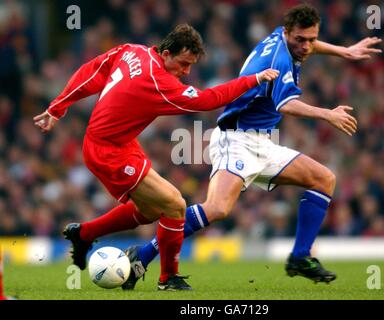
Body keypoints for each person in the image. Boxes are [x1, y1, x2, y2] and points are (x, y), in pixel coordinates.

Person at [116, 3, 382, 290]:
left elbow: (309, 46)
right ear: (287, 33)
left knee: (323, 179)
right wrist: (327, 114)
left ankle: (300, 257)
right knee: (217, 209)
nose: (306, 47)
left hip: (263, 142)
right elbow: (286, 104)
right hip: (237, 139)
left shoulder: (284, 39)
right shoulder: (279, 61)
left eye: (311, 39)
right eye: (300, 40)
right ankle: (141, 256)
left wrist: (344, 51)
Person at [33, 24, 279, 291]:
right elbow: (209, 99)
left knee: (150, 210)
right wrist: (253, 80)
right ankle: (168, 279)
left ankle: (84, 234)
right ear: (165, 53)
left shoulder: (131, 51)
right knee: (175, 205)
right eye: (183, 64)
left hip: (120, 143)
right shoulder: (160, 84)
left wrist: (58, 107)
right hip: (107, 152)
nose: (185, 72)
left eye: (190, 66)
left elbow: (91, 71)